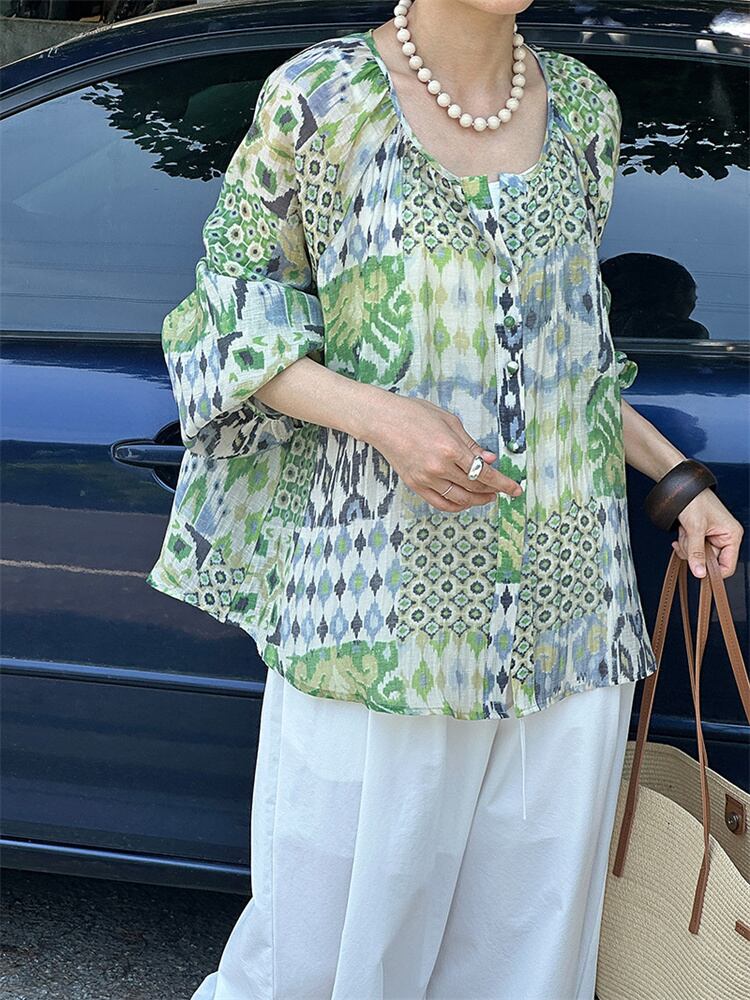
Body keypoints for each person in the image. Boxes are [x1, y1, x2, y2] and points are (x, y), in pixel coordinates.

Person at [146, 1, 744, 997]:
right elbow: (222, 329)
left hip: (567, 606)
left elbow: (571, 362)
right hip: (380, 605)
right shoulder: (320, 98)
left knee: (525, 952)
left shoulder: (584, 108)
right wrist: (386, 419)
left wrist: (680, 483)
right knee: (329, 953)